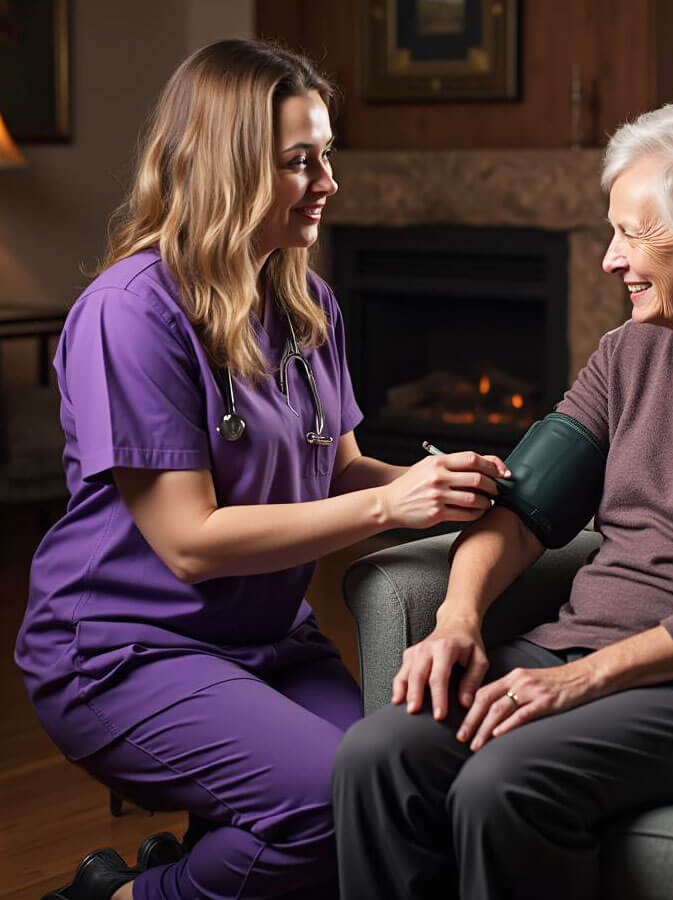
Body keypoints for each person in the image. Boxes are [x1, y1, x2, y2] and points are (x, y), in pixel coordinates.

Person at [332, 95, 673, 900]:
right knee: (374, 756)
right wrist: (458, 619)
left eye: (631, 234)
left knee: (500, 785)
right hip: (572, 648)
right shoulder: (628, 352)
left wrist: (586, 680)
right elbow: (520, 508)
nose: (608, 259)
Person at [15, 40, 509, 900]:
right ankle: (124, 895)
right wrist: (395, 507)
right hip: (125, 652)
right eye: (300, 161)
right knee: (323, 808)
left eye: (327, 155)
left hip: (270, 641)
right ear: (226, 167)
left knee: (388, 792)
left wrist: (445, 492)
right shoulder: (130, 314)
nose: (329, 181)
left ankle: (184, 868)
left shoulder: (308, 301)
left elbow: (344, 466)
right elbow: (191, 542)